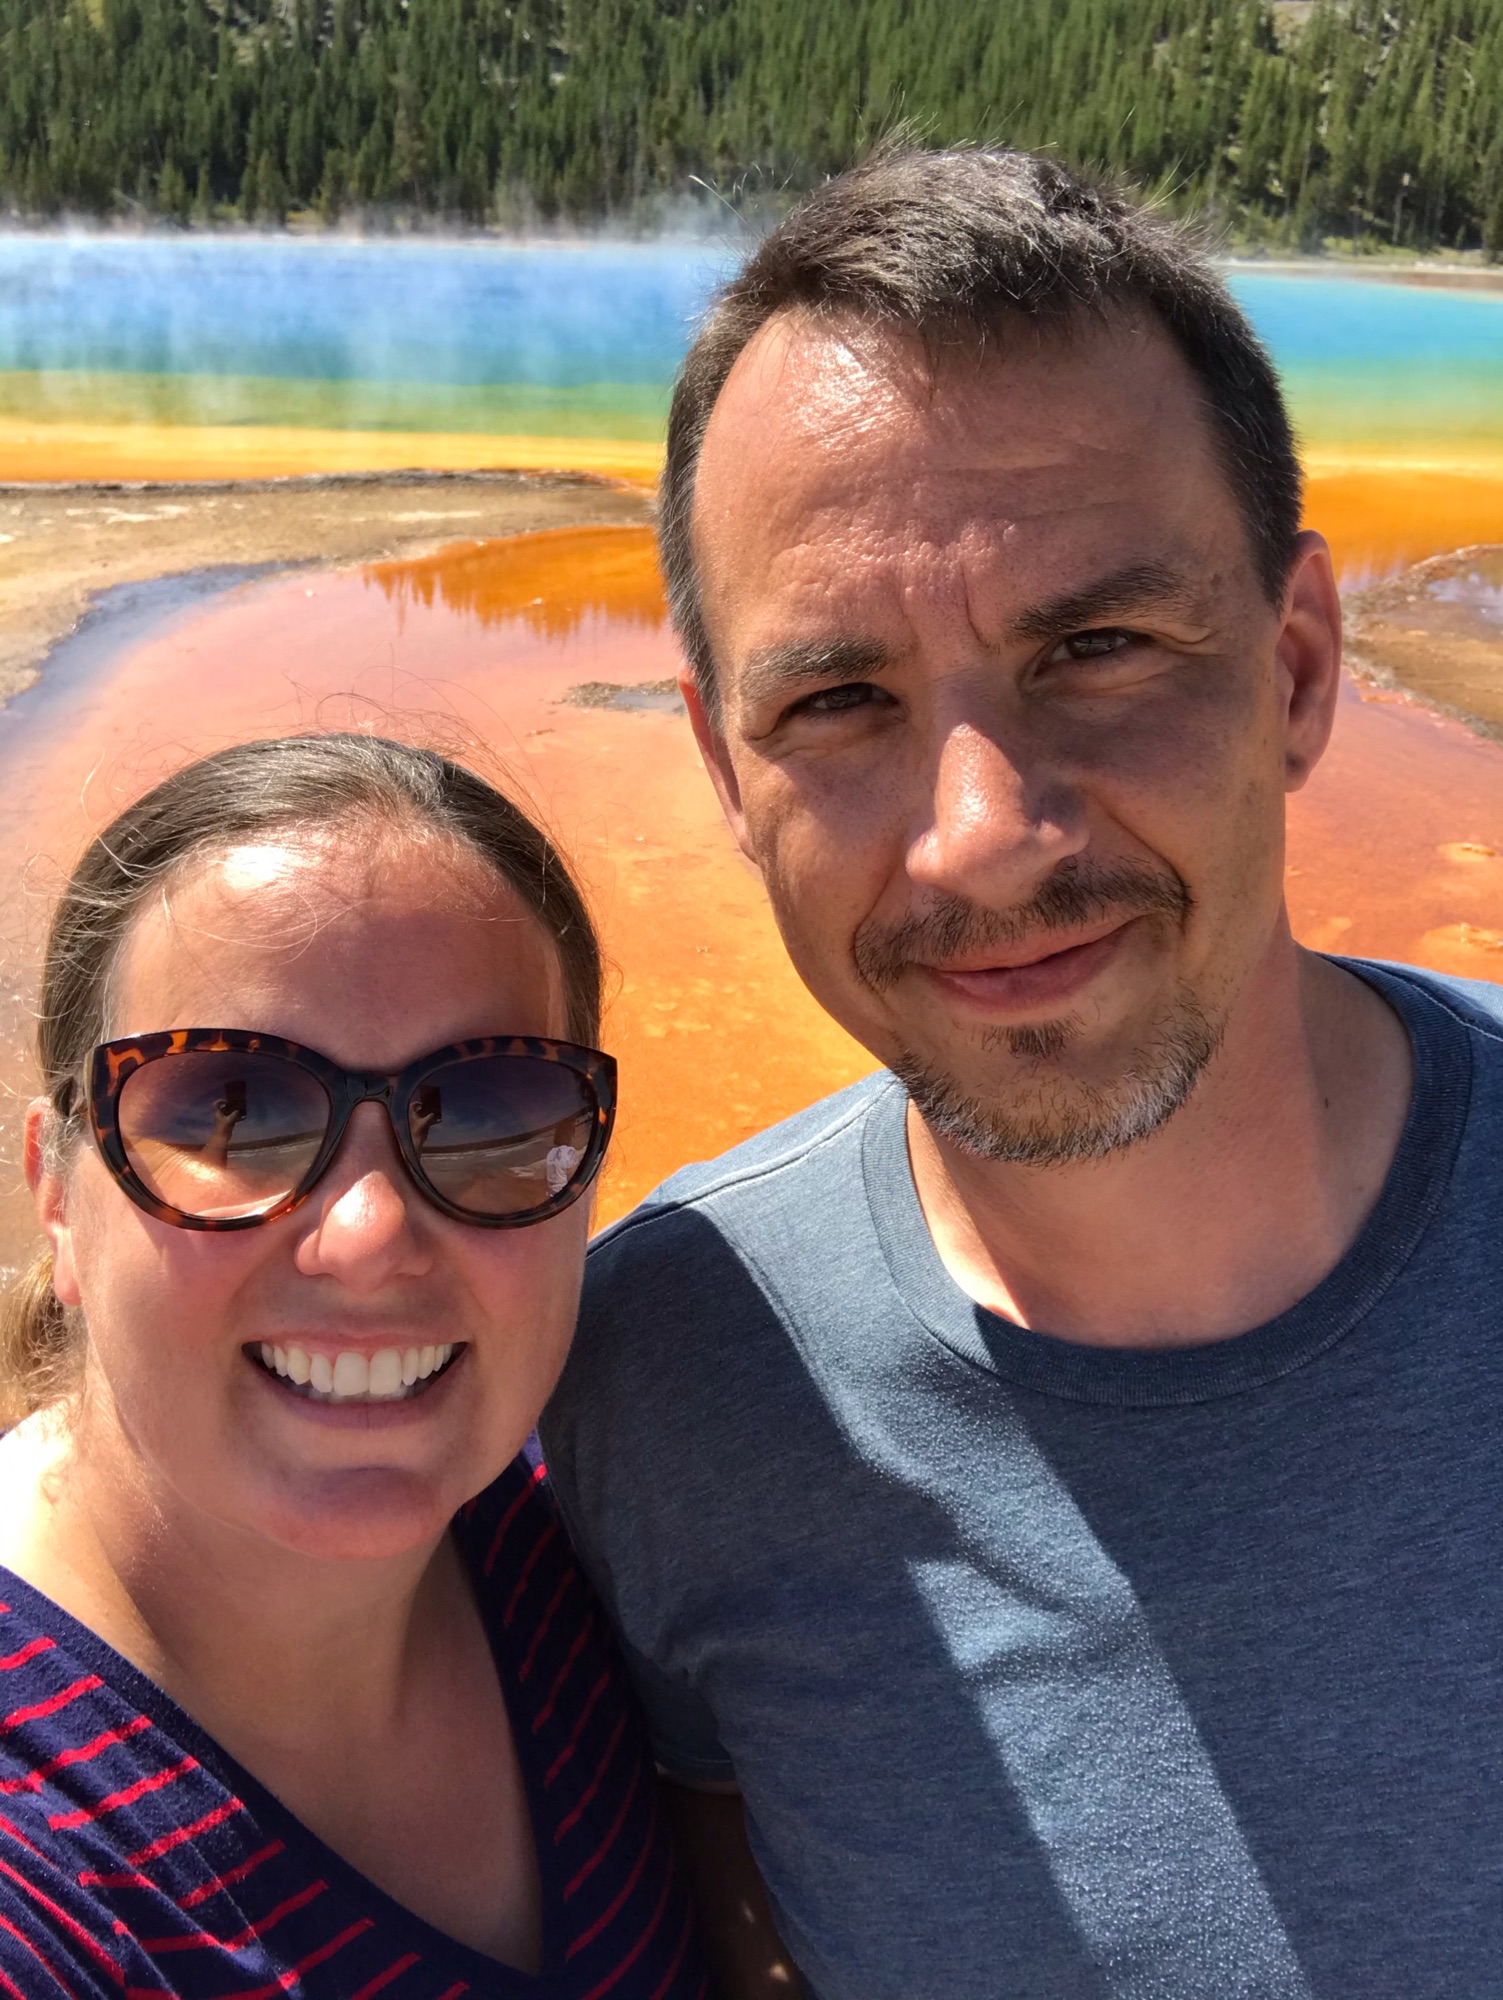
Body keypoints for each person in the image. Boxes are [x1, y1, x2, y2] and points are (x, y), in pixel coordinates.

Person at [540, 146, 1503, 2000]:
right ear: (726, 770)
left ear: (1300, 670)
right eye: (837, 703)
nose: (980, 839)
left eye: (1097, 647)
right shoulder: (663, 1382)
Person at [0, 734, 706, 2000]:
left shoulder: (574, 1524)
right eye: (235, 1109)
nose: (371, 1235)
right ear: (58, 1188)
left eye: (487, 1109)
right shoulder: (39, 1875)